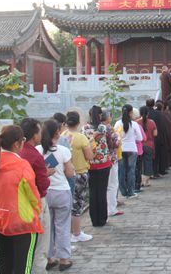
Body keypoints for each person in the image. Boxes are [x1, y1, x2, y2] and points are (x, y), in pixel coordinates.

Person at [0, 125, 42, 274]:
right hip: (22, 223)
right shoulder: (21, 165)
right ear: (17, 144)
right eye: (23, 140)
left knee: (5, 265)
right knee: (23, 268)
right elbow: (33, 196)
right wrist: (37, 212)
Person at [37, 119, 75, 272]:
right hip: (61, 191)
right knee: (63, 226)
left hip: (45, 192)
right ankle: (64, 259)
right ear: (57, 133)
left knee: (47, 227)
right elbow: (70, 173)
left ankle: (49, 257)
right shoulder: (63, 150)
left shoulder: (38, 150)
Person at [19, 118, 52, 274]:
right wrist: (46, 173)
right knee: (40, 245)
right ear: (34, 135)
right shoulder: (33, 155)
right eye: (39, 131)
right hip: (36, 200)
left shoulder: (17, 152)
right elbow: (43, 184)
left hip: (17, 202)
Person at [63, 111, 93, 243]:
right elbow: (89, 156)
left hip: (66, 173)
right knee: (78, 203)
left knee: (68, 203)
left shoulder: (63, 136)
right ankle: (76, 232)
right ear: (78, 122)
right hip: (80, 172)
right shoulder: (81, 137)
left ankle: (68, 232)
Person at [85, 106, 113, 227]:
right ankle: (102, 218)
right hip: (103, 163)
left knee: (92, 191)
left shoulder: (85, 128)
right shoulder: (103, 127)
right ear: (100, 115)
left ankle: (94, 219)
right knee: (102, 190)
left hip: (90, 163)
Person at [114, 104, 143, 198]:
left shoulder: (118, 123)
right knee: (131, 171)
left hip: (121, 149)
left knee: (121, 171)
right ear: (131, 113)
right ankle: (131, 192)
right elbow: (140, 138)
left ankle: (123, 191)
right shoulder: (134, 124)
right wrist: (132, 138)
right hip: (132, 149)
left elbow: (115, 137)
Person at [101, 111, 123, 217]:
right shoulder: (109, 128)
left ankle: (105, 208)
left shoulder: (92, 127)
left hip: (100, 160)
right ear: (108, 118)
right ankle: (111, 208)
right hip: (111, 159)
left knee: (103, 185)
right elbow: (115, 143)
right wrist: (118, 138)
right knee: (112, 184)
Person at [146, 99, 167, 178]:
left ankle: (148, 174)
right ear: (154, 104)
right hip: (157, 137)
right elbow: (162, 126)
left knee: (147, 158)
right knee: (156, 156)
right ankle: (155, 172)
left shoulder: (145, 113)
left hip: (145, 139)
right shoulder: (159, 114)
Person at [138, 106, 157, 186]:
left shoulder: (137, 122)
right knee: (148, 163)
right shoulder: (152, 122)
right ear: (148, 113)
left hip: (139, 146)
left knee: (140, 164)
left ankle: (141, 181)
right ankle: (146, 181)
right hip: (149, 145)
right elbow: (155, 134)